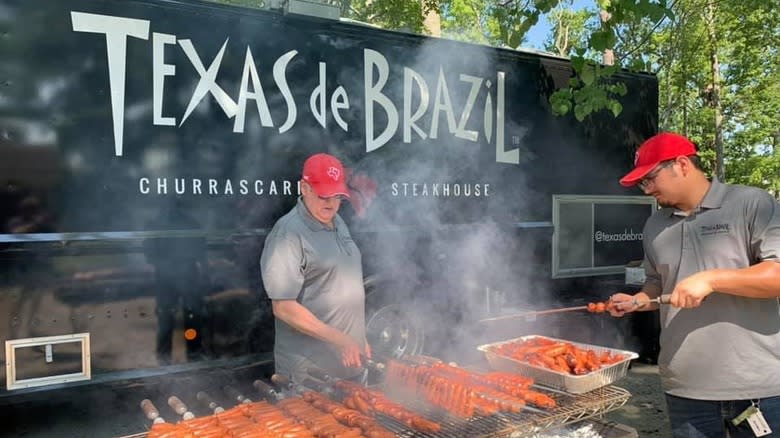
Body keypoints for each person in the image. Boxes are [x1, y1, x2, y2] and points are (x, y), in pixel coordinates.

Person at [610, 132, 780, 437]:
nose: (646, 189)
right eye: (641, 183)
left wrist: (711, 279)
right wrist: (639, 300)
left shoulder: (751, 203)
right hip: (686, 386)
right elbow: (656, 283)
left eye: (649, 179)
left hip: (757, 386)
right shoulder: (655, 224)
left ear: (682, 164)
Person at [260, 153, 371, 384]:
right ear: (304, 188)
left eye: (337, 195)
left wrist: (357, 337)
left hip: (349, 365)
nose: (331, 203)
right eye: (323, 195)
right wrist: (341, 339)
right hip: (311, 375)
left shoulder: (337, 221)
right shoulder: (288, 234)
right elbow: (284, 308)